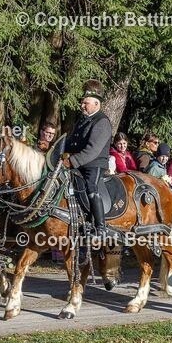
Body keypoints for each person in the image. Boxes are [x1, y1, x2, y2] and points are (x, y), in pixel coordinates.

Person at [62, 80, 113, 237]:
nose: (82, 106)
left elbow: (93, 150)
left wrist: (72, 161)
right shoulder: (82, 121)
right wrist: (55, 149)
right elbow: (71, 142)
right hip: (79, 165)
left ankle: (100, 227)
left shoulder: (102, 121)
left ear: (96, 103)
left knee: (91, 187)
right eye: (82, 102)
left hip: (94, 164)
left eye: (86, 103)